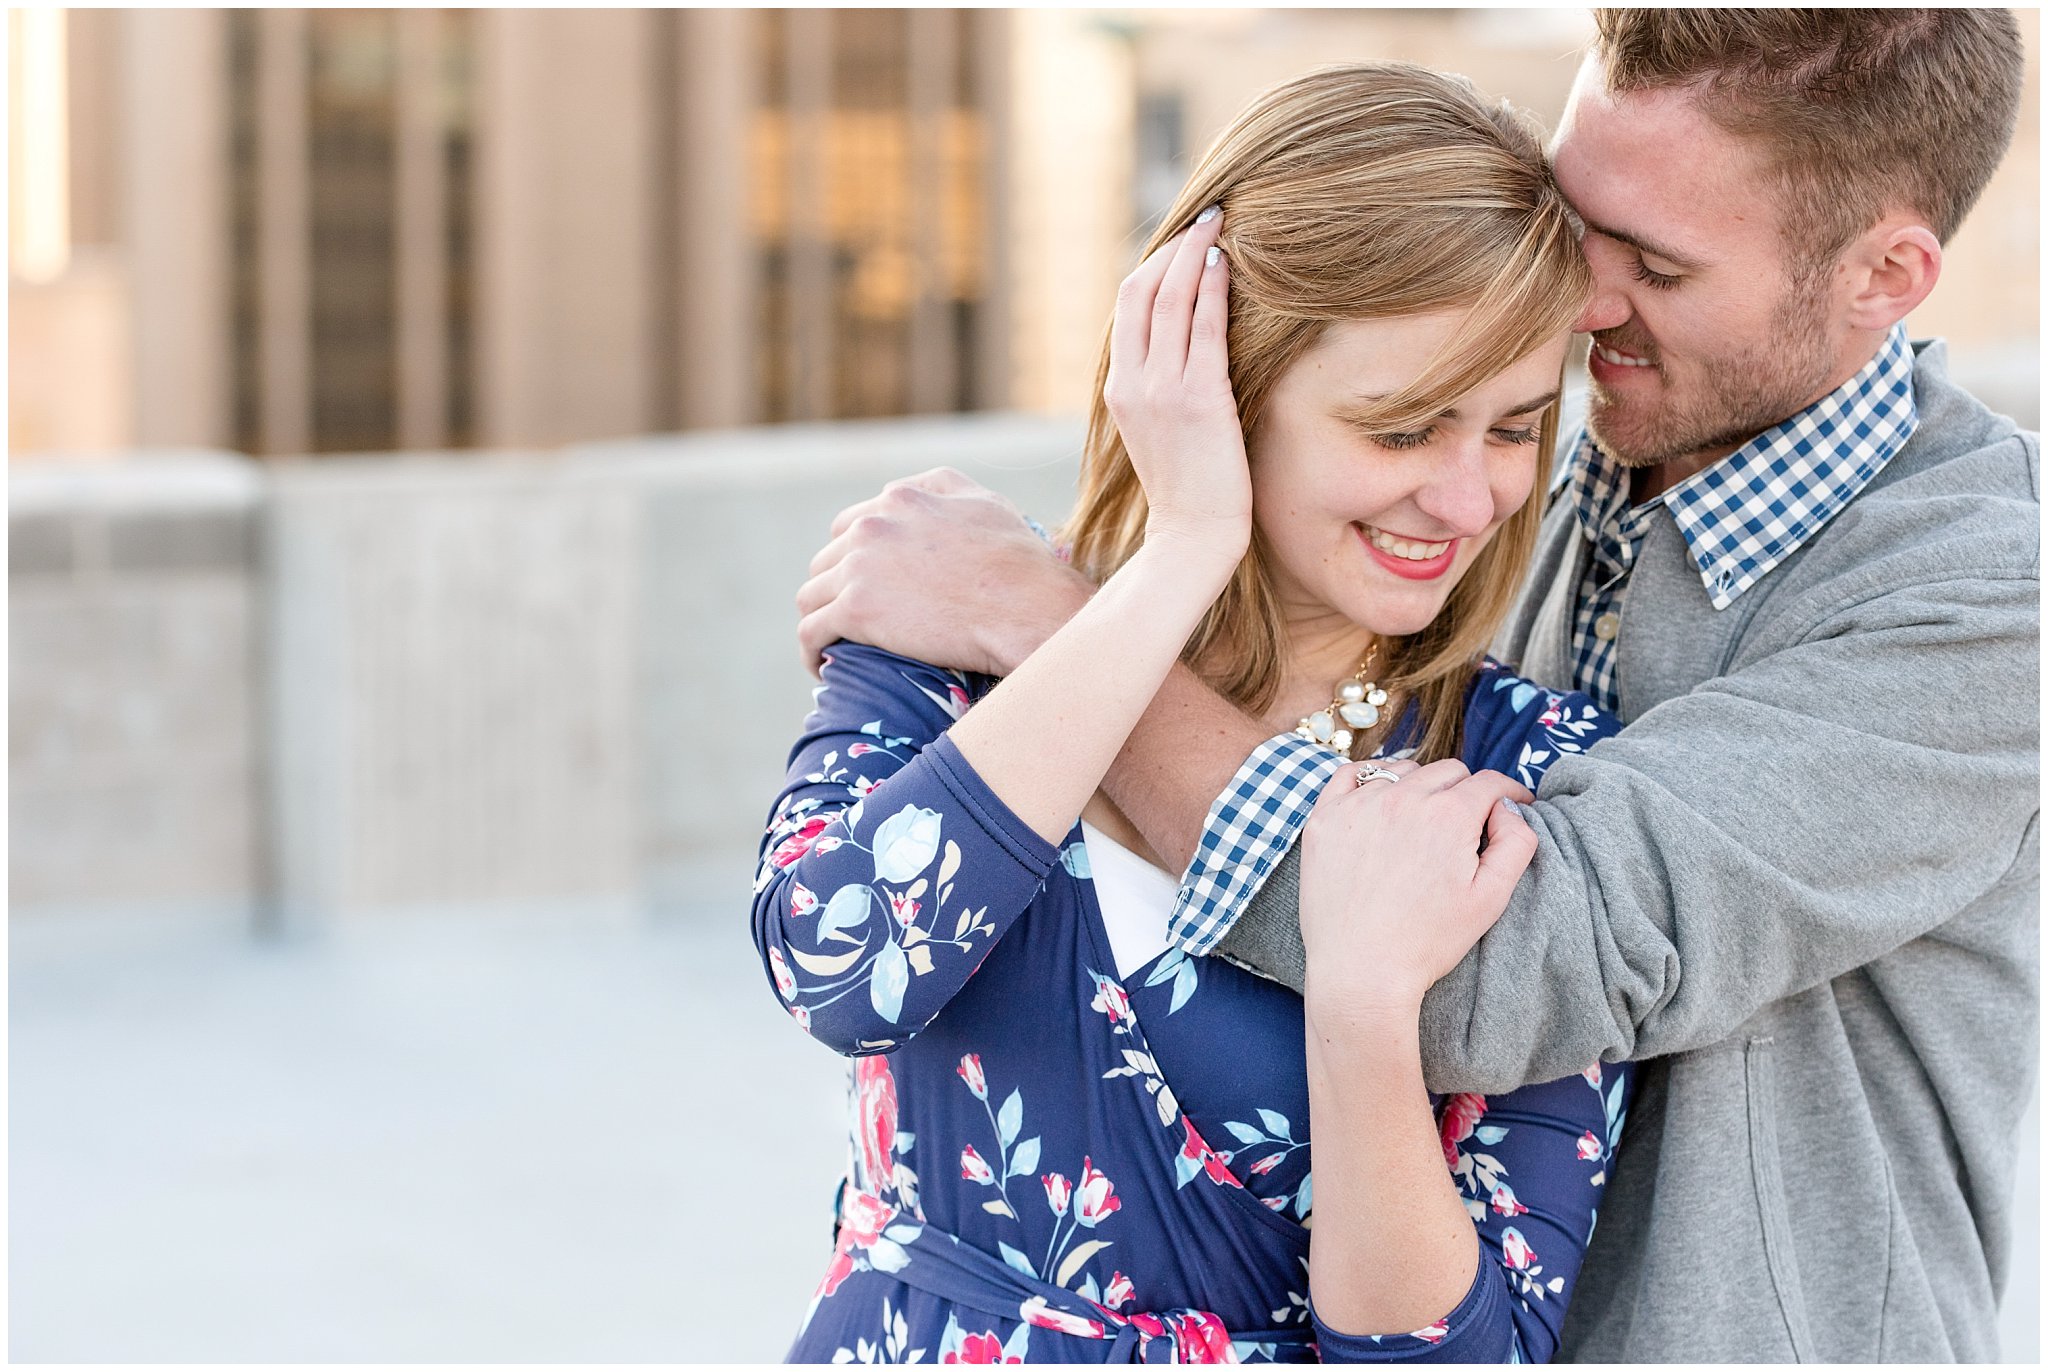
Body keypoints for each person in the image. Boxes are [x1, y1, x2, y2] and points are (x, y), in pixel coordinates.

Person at [792, 9, 2039, 1363]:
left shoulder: (1983, 601)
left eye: (1658, 265)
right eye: (1582, 224)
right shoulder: (1552, 486)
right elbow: (837, 953)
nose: (1584, 298)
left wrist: (1056, 633)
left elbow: (1503, 957)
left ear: (1886, 274)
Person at [757, 64, 1636, 1364]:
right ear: (1216, 384)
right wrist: (1182, 554)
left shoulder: (1525, 774)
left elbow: (1469, 1351)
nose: (1468, 501)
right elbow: (838, 960)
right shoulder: (966, 624)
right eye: (1401, 428)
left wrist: (1361, 1006)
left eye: (1514, 428)